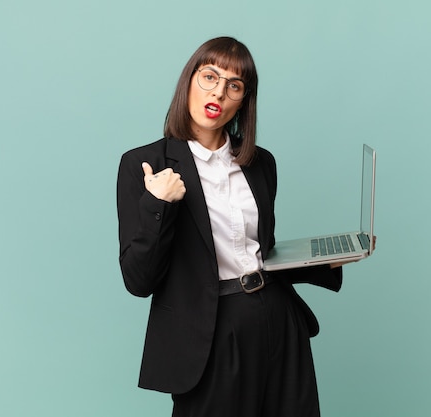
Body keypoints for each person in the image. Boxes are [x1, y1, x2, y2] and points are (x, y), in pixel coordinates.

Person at [117, 36, 366, 417]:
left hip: (278, 320)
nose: (219, 91)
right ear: (189, 81)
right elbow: (138, 280)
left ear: (243, 101)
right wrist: (157, 203)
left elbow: (257, 252)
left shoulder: (259, 163)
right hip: (211, 332)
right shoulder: (145, 165)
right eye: (209, 76)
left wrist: (327, 260)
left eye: (234, 85)